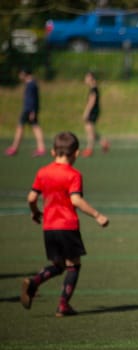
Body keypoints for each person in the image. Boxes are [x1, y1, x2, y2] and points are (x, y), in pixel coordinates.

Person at [20, 131, 109, 317]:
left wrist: (35, 212)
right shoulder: (74, 175)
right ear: (76, 153)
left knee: (59, 265)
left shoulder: (42, 172)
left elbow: (31, 197)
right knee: (73, 266)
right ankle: (63, 305)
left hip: (49, 227)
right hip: (67, 226)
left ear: (53, 152)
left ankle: (34, 281)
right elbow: (75, 200)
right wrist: (97, 215)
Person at [4, 67, 46, 157]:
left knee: (22, 127)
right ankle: (40, 148)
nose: (19, 76)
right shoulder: (31, 83)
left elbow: (33, 100)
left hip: (28, 109)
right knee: (34, 127)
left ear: (24, 74)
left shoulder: (31, 84)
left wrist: (32, 111)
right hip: (29, 109)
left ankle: (15, 147)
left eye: (20, 74)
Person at [81, 71, 109, 157]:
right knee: (91, 131)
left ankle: (89, 149)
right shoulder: (94, 88)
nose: (85, 80)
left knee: (89, 131)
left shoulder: (93, 89)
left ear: (91, 78)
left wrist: (86, 112)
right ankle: (103, 142)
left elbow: (91, 102)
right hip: (94, 111)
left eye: (87, 78)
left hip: (92, 112)